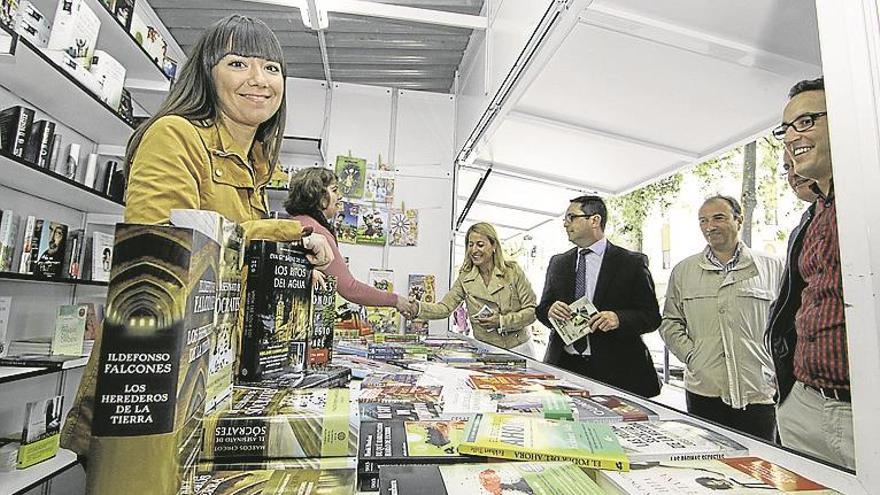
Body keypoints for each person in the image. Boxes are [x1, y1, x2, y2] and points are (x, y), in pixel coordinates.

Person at [61, 15, 333, 462]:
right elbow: (159, 258)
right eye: (238, 63)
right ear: (206, 72)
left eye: (271, 68)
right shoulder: (174, 135)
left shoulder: (255, 166)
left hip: (211, 380)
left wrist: (293, 266)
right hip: (152, 386)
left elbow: (235, 272)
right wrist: (285, 233)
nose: (258, 80)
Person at [766, 77, 854, 468]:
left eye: (805, 122)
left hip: (860, 414)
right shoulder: (815, 215)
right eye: (785, 129)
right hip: (803, 405)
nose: (791, 137)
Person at [658, 195, 782, 441]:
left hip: (759, 392)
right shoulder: (684, 271)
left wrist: (774, 367)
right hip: (704, 391)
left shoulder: (772, 267)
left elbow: (787, 325)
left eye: (718, 218)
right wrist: (694, 358)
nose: (710, 226)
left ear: (739, 220)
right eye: (703, 221)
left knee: (759, 467)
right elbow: (670, 323)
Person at [536, 195, 661, 398]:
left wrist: (619, 319)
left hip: (616, 372)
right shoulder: (558, 263)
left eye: (571, 217)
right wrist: (549, 311)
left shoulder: (631, 263)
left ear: (594, 220)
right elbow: (542, 309)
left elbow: (651, 317)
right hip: (564, 368)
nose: (565, 224)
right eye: (565, 219)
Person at [284, 167, 417, 316]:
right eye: (334, 190)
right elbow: (350, 288)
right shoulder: (317, 230)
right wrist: (396, 300)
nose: (339, 196)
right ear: (320, 197)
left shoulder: (295, 223)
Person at [413, 222, 537, 355]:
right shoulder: (465, 278)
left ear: (494, 245)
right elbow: (444, 308)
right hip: (486, 351)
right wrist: (416, 308)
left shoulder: (513, 272)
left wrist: (502, 321)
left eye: (480, 244)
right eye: (470, 245)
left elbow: (533, 311)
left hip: (520, 349)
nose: (474, 250)